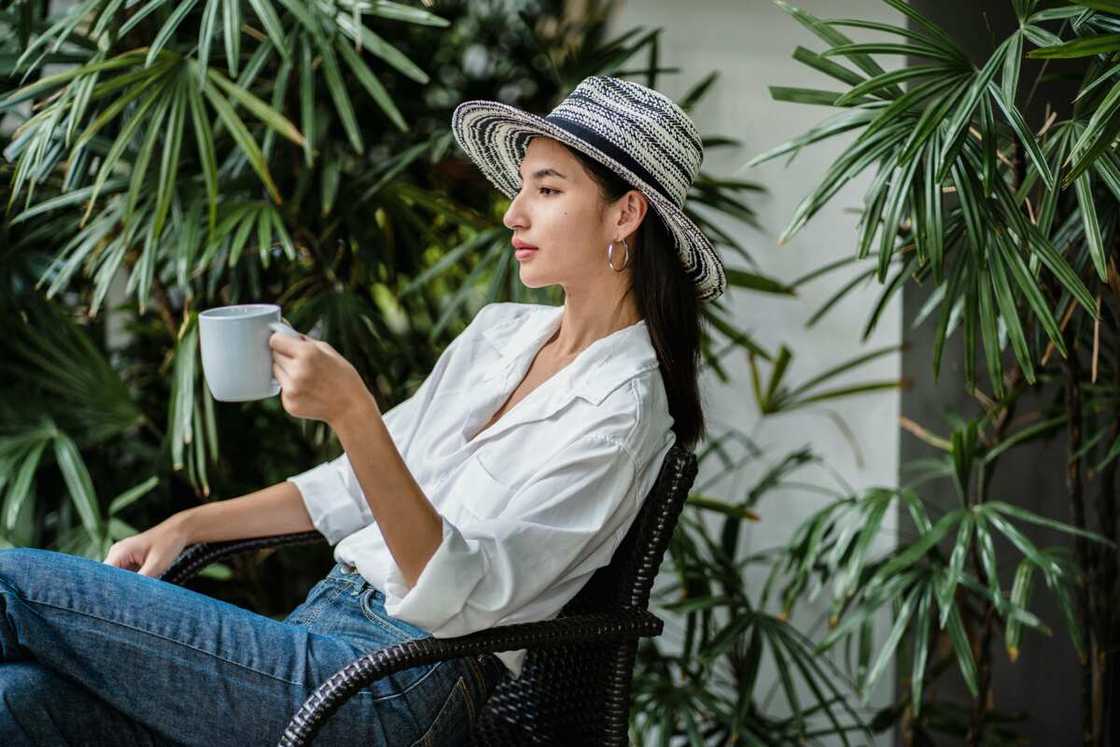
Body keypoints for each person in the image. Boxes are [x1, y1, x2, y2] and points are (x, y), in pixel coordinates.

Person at [0, 75, 724, 745]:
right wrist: (191, 524)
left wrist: (353, 410)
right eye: (522, 187)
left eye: (547, 188)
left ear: (626, 213)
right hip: (311, 640)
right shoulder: (501, 334)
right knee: (18, 701)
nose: (513, 211)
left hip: (394, 687)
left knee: (12, 583)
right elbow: (350, 487)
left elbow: (458, 594)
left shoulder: (624, 412)